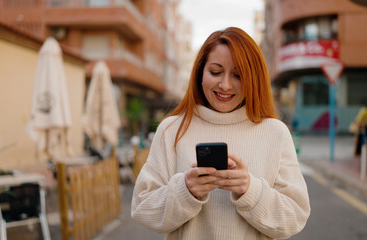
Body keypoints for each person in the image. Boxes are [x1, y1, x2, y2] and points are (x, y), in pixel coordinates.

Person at [131, 27, 310, 239]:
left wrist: (249, 190)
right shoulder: (172, 129)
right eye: (215, 72)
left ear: (253, 78)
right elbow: (142, 208)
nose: (224, 85)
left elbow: (295, 217)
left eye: (237, 75)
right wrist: (185, 191)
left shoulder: (275, 132)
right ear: (200, 73)